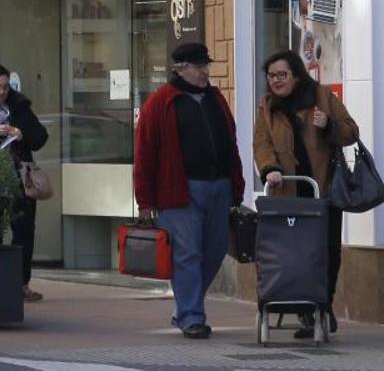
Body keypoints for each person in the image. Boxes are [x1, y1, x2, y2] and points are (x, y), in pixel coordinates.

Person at [134, 43, 244, 339]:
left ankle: (185, 303)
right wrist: (144, 199)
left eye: (206, 65)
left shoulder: (215, 98)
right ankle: (191, 316)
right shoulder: (161, 102)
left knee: (216, 250)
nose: (205, 72)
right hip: (179, 190)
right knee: (187, 253)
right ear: (179, 70)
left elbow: (230, 142)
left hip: (219, 186)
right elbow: (144, 153)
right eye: (198, 66)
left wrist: (237, 185)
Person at [253, 49, 358, 338]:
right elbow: (261, 144)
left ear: (296, 76)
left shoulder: (323, 97)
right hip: (288, 193)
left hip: (323, 191)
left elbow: (351, 132)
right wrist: (269, 168)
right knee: (294, 254)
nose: (276, 80)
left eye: (282, 75)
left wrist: (329, 126)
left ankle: (323, 306)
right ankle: (305, 312)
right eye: (272, 76)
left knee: (326, 251)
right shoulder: (267, 107)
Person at [0, 64, 49, 302]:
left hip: (18, 177)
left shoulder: (17, 104)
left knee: (23, 230)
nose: (2, 92)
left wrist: (21, 133)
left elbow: (40, 136)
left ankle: (21, 283)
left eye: (6, 86)